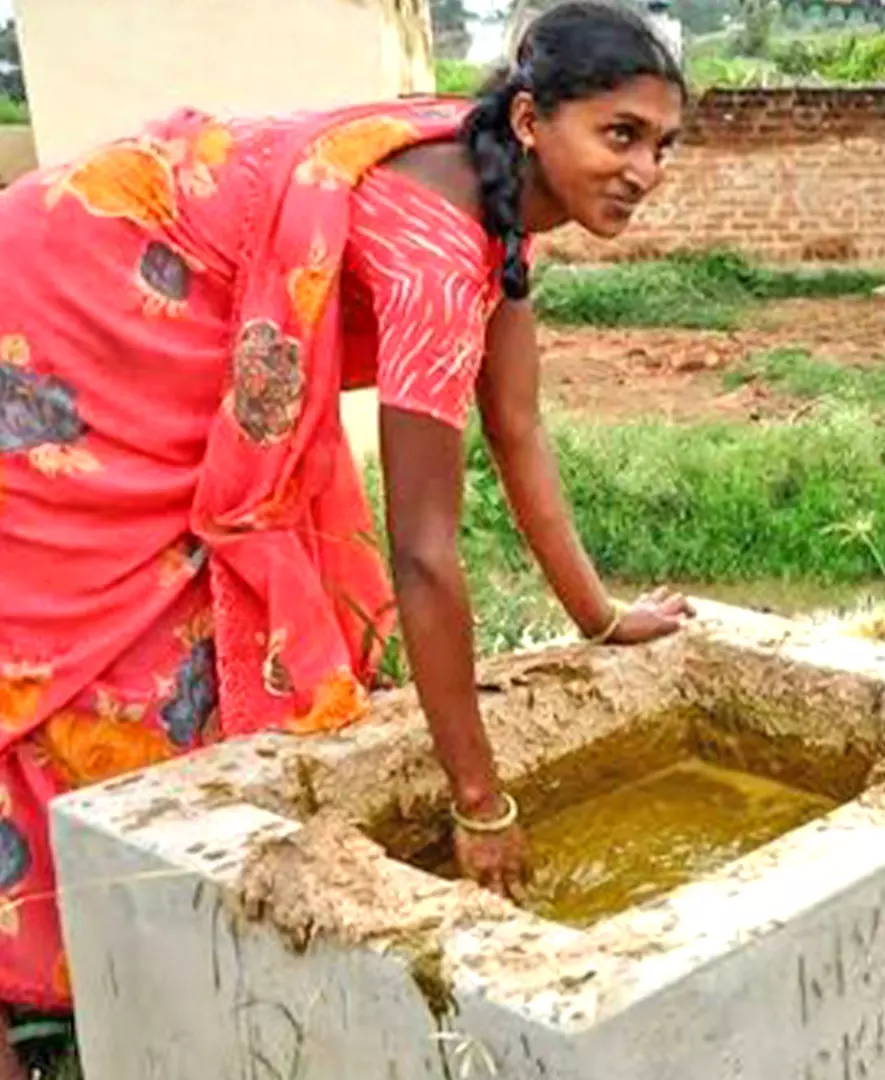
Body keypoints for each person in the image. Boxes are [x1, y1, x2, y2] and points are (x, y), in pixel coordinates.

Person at [0, 2, 691, 1073]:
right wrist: (482, 804)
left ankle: (127, 971)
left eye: (662, 143)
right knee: (69, 640)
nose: (645, 169)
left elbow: (518, 428)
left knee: (199, 622)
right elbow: (425, 552)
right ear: (527, 120)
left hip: (159, 302)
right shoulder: (433, 253)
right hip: (77, 301)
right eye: (619, 133)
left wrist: (602, 619)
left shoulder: (497, 201)